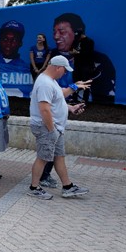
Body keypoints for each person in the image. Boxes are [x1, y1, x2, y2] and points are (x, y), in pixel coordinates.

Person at [26, 56, 90, 200]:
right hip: (48, 128)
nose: (65, 73)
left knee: (59, 157)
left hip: (54, 128)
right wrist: (51, 130)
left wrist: (71, 107)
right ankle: (34, 187)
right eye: (65, 70)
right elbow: (44, 110)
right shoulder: (45, 83)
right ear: (58, 67)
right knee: (43, 158)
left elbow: (58, 98)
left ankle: (67, 187)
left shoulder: (50, 81)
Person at [51, 13, 116, 102]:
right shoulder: (72, 44)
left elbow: (85, 53)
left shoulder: (89, 42)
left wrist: (77, 52)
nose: (56, 36)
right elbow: (72, 51)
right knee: (75, 83)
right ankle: (74, 97)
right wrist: (76, 53)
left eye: (62, 32)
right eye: (55, 32)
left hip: (86, 68)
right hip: (77, 67)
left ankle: (84, 99)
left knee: (85, 84)